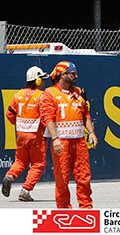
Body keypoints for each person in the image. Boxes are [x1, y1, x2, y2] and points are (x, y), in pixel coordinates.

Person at [40, 61, 98, 208]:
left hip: (79, 142)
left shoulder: (78, 92)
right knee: (62, 179)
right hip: (62, 143)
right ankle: (64, 210)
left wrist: (91, 133)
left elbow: (86, 114)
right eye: (73, 73)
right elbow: (48, 118)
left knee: (84, 177)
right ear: (62, 74)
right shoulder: (50, 93)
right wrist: (55, 139)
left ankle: (86, 208)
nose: (76, 76)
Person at [2, 66, 47, 202]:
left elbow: (9, 114)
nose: (44, 82)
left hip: (20, 134)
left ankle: (10, 176)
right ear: (37, 81)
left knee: (20, 161)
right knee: (38, 164)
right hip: (36, 136)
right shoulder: (41, 96)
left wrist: (20, 124)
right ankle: (25, 190)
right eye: (42, 79)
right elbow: (47, 117)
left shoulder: (18, 95)